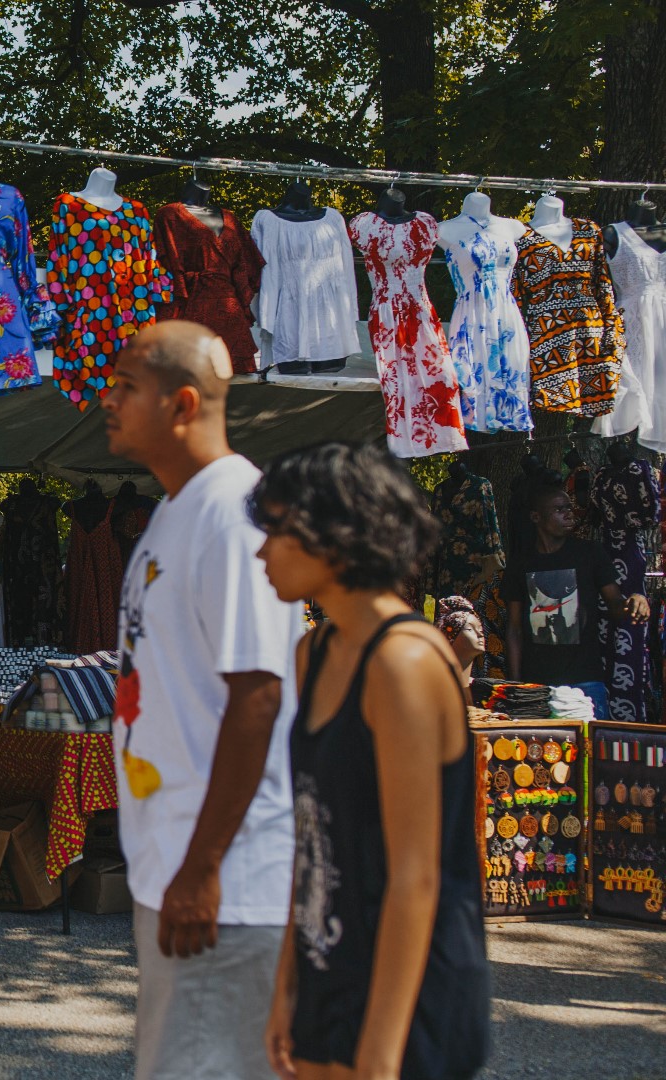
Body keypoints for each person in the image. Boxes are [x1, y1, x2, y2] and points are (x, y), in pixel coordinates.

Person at [99, 320, 305, 1080]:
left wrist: (204, 867)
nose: (106, 400)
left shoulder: (232, 511)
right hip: (177, 867)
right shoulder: (174, 512)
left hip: (224, 885)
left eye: (126, 386)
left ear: (181, 403)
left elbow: (258, 694)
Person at [251, 442, 490, 1080]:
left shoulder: (404, 663)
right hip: (332, 956)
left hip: (411, 986)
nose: (260, 552)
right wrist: (285, 989)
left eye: (276, 532)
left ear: (332, 538)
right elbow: (311, 834)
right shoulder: (315, 653)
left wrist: (382, 1054)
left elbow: (418, 875)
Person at [503, 479, 648, 717]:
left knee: (590, 752)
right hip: (536, 685)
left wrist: (634, 601)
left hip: (585, 682)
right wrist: (516, 685)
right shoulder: (521, 563)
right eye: (559, 510)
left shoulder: (590, 553)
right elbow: (514, 628)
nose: (569, 514)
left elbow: (615, 605)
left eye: (569, 508)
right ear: (536, 517)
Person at [434, 595, 486, 688]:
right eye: (470, 629)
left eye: (480, 629)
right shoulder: (438, 688)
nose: (479, 634)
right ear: (449, 636)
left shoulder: (488, 691)